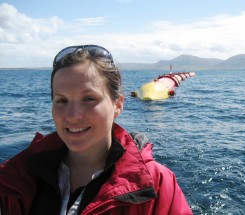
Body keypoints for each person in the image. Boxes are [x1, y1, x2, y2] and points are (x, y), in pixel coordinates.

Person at [0, 45, 193, 215]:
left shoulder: (157, 184)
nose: (72, 115)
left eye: (89, 99)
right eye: (62, 100)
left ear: (117, 104)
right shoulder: (16, 178)